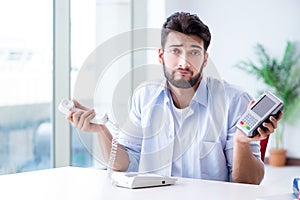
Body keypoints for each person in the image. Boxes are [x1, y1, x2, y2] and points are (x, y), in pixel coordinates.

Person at [67, 12, 282, 184]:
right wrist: (100, 130)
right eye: (175, 51)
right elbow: (124, 163)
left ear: (205, 59)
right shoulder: (145, 96)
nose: (183, 62)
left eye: (194, 52)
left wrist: (241, 142)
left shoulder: (235, 101)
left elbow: (249, 182)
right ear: (161, 55)